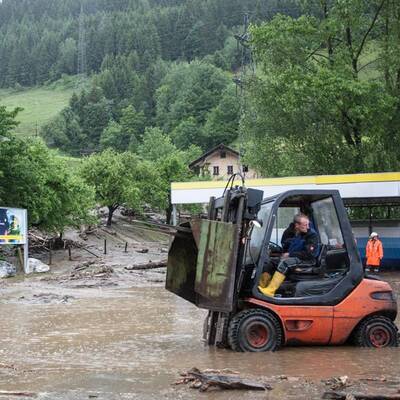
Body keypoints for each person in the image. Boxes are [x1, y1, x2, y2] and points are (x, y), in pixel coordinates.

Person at [259, 213, 320, 297]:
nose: (308, 227)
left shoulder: (312, 235)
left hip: (307, 260)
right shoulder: (298, 234)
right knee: (271, 262)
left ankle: (270, 291)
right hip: (296, 257)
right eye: (305, 225)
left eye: (307, 224)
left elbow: (309, 254)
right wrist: (284, 253)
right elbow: (290, 246)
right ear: (297, 225)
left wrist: (290, 254)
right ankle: (262, 286)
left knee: (285, 263)